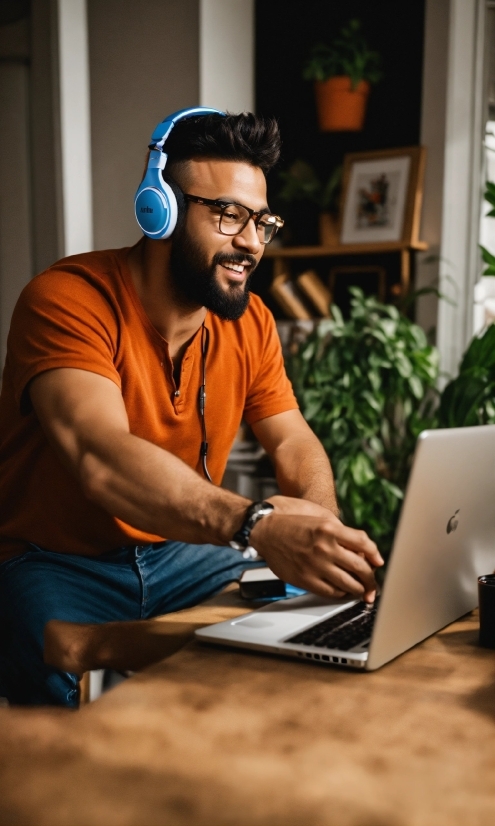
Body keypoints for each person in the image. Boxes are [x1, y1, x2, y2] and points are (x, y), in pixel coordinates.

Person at [0, 109, 383, 707]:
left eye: (261, 221)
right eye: (229, 215)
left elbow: (293, 443)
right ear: (161, 210)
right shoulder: (67, 299)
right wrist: (257, 524)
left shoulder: (251, 321)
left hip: (179, 556)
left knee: (302, 635)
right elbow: (100, 457)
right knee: (50, 709)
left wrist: (320, 531)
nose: (252, 242)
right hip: (52, 561)